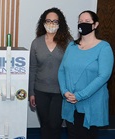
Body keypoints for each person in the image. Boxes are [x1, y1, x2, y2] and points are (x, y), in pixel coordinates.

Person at [58, 10, 114, 139]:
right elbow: (62, 70)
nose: (83, 24)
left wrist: (80, 95)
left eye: (87, 21)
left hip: (91, 103)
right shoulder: (72, 46)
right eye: (80, 21)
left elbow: (104, 76)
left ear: (95, 25)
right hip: (70, 101)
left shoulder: (104, 47)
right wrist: (64, 91)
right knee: (72, 135)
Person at [29, 7, 72, 139]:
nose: (51, 24)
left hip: (60, 92)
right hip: (40, 91)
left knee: (55, 126)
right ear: (43, 22)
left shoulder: (68, 43)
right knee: (45, 125)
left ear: (60, 24)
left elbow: (71, 68)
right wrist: (31, 92)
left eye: (55, 21)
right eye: (48, 20)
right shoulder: (36, 43)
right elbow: (32, 68)